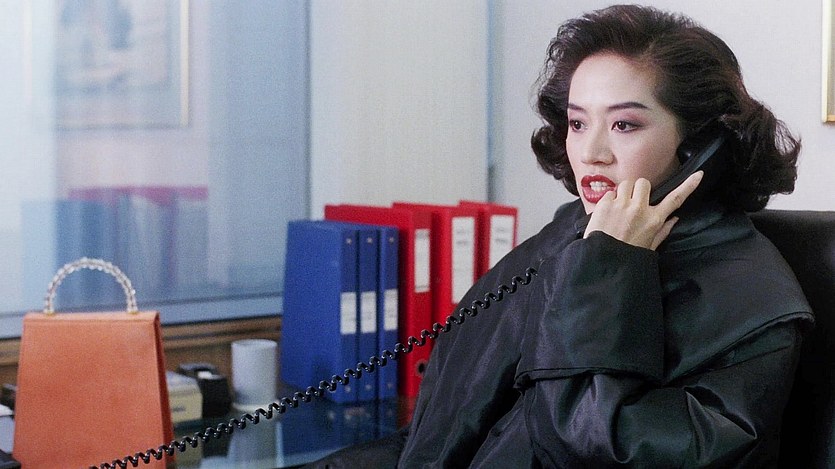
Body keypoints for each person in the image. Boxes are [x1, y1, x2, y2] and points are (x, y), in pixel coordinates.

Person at [307, 4, 813, 467]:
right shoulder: (567, 236)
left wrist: (610, 268)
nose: (590, 152)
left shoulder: (755, 306)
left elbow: (589, 444)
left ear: (699, 145)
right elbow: (441, 436)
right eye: (577, 123)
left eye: (624, 125)